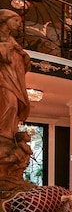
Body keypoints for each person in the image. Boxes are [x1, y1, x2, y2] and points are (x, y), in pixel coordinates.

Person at [0, 9, 31, 142]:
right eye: (16, 20)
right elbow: (4, 56)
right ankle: (4, 134)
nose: (19, 24)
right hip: (3, 76)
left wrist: (24, 56)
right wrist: (9, 49)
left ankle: (9, 133)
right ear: (5, 20)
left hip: (13, 76)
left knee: (14, 105)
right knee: (10, 104)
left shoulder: (12, 39)